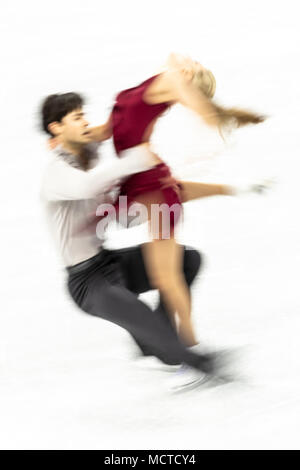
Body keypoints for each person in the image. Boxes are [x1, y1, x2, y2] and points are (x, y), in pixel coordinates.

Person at [40, 92, 221, 390]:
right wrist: (134, 160)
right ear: (56, 128)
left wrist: (157, 203)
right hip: (88, 284)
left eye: (84, 114)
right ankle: (193, 362)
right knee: (146, 322)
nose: (86, 121)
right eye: (77, 117)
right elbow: (87, 187)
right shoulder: (57, 173)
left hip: (110, 263)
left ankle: (155, 343)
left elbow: (117, 217)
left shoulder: (89, 165)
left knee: (187, 259)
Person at [87, 53, 267, 350]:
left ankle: (191, 347)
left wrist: (216, 113)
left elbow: (203, 109)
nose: (192, 62)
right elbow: (105, 130)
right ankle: (174, 345)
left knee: (167, 277)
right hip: (139, 182)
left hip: (154, 189)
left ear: (186, 84)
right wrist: (73, 137)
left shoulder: (173, 81)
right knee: (163, 275)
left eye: (195, 69)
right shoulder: (155, 82)